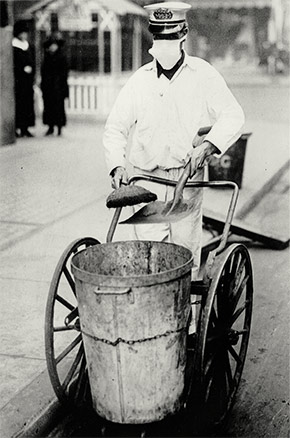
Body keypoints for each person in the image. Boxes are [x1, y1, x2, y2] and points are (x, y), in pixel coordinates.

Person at [103, 1, 245, 283]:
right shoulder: (139, 81)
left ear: (184, 35)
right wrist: (117, 166)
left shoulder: (202, 74)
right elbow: (115, 128)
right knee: (148, 259)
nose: (165, 43)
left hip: (186, 181)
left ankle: (188, 325)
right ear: (152, 37)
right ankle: (150, 322)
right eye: (159, 37)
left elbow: (233, 115)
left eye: (171, 37)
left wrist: (208, 146)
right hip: (147, 182)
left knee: (184, 257)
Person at [41, 35, 69, 136]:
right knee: (49, 107)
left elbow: (64, 73)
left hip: (58, 86)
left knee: (59, 107)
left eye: (54, 45)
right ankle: (50, 127)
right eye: (51, 45)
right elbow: (43, 72)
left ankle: (59, 127)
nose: (53, 47)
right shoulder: (47, 57)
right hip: (48, 86)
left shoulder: (61, 57)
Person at [12, 21, 35, 137]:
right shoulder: (13, 46)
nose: (25, 35)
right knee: (18, 104)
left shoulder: (28, 46)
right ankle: (16, 127)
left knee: (27, 104)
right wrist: (22, 69)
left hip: (27, 81)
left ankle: (25, 128)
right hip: (18, 80)